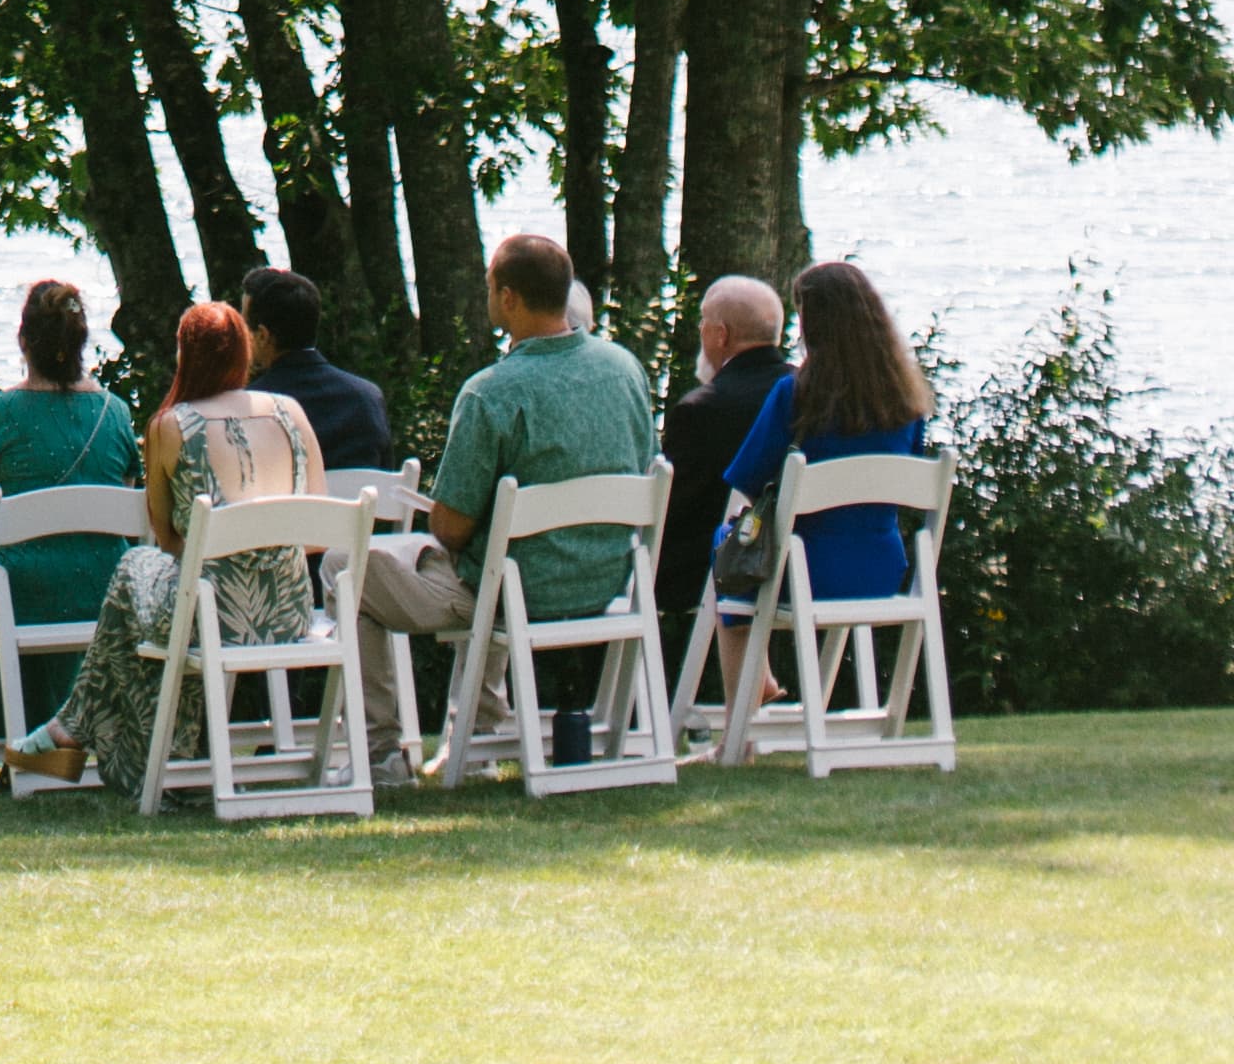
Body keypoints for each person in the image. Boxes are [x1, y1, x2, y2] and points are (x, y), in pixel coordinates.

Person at [354, 227, 658, 775]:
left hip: (518, 592)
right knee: (492, 555)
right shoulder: (626, 370)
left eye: (491, 287)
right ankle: (480, 730)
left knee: (348, 567)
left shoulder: (492, 391)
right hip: (611, 580)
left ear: (509, 297)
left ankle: (381, 755)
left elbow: (450, 528)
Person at [0, 300, 326, 796]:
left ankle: (84, 735)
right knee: (167, 604)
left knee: (137, 568)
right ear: (244, 351)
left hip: (208, 618)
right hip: (290, 615)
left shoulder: (173, 426)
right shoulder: (289, 413)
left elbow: (167, 537)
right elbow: (317, 525)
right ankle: (128, 743)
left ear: (184, 356)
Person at [714, 259, 935, 696]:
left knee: (724, 548)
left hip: (807, 571)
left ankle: (747, 710)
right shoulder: (906, 403)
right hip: (883, 570)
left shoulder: (796, 394)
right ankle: (761, 686)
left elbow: (748, 478)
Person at [0, 280, 142, 705]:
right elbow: (123, 515)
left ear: (23, 341)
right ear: (80, 343)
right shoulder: (115, 414)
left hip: (19, 597)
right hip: (104, 595)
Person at [657, 274, 789, 622]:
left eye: (703, 323)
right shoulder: (808, 393)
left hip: (715, 573)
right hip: (792, 565)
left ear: (721, 335)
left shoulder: (701, 409)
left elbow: (671, 512)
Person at [236, 265, 395, 472]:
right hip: (362, 504)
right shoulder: (368, 397)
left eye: (244, 325)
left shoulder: (250, 405)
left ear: (263, 336)